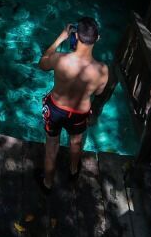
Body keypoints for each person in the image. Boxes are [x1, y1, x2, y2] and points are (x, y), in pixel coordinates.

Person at [36, 17, 108, 194]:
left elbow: (42, 63)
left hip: (55, 109)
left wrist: (60, 38)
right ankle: (74, 171)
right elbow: (99, 93)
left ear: (75, 36)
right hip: (79, 114)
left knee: (52, 145)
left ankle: (47, 183)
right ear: (97, 39)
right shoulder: (102, 70)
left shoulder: (60, 59)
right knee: (76, 142)